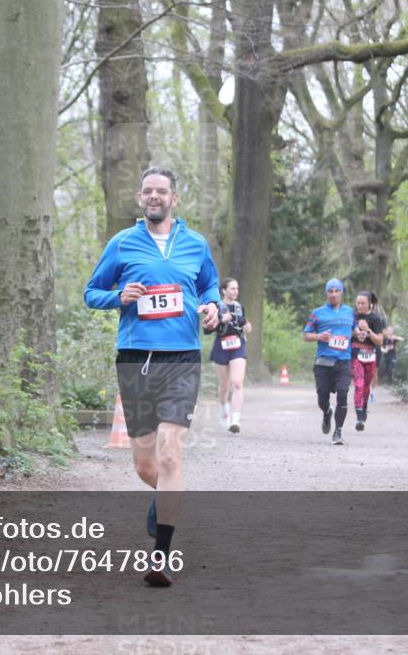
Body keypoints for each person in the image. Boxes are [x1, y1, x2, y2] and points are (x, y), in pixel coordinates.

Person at [85, 166, 220, 587]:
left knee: (170, 455)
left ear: (174, 199)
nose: (155, 197)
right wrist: (117, 297)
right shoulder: (122, 243)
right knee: (146, 464)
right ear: (140, 198)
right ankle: (163, 500)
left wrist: (213, 308)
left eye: (162, 191)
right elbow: (91, 293)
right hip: (135, 359)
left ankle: (161, 555)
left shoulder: (195, 244)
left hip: (182, 358)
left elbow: (211, 286)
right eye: (148, 191)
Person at [303, 279, 356, 445]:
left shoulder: (350, 312)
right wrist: (319, 336)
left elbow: (353, 330)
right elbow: (305, 335)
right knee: (322, 399)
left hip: (344, 361)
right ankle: (327, 412)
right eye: (330, 291)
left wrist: (359, 334)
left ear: (341, 293)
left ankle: (338, 432)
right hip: (323, 362)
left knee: (342, 394)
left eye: (336, 291)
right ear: (326, 293)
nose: (333, 294)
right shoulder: (317, 313)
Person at [207, 277, 252, 433]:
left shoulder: (239, 307)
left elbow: (243, 323)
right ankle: (224, 408)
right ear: (224, 290)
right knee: (225, 386)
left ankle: (235, 419)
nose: (236, 291)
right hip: (221, 346)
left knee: (237, 383)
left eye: (237, 288)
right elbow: (207, 329)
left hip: (238, 346)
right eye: (232, 288)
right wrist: (220, 321)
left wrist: (247, 326)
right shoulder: (217, 307)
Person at [350, 291, 384, 431]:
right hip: (355, 353)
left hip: (370, 354)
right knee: (358, 383)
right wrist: (354, 331)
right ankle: (359, 417)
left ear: (369, 303)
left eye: (363, 303)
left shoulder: (376, 319)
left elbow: (380, 341)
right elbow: (346, 333)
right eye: (358, 303)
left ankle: (364, 406)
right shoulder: (352, 316)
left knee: (366, 386)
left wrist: (368, 330)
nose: (360, 306)